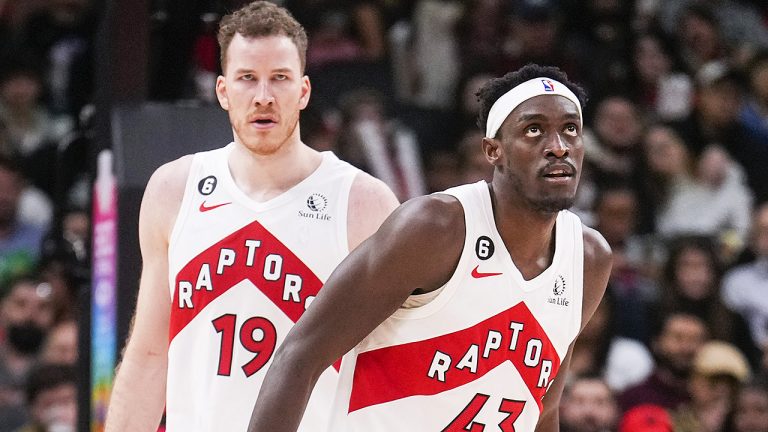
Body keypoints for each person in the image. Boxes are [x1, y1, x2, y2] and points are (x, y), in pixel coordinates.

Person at [249, 64, 613, 431]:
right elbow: (300, 355)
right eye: (534, 130)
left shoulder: (588, 258)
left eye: (571, 130)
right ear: (493, 151)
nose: (558, 147)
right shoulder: (435, 228)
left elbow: (543, 409)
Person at [104, 2, 399, 431]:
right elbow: (149, 355)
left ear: (304, 90)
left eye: (279, 78)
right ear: (223, 91)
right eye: (248, 78)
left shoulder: (363, 203)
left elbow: (393, 368)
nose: (263, 96)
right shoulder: (174, 190)